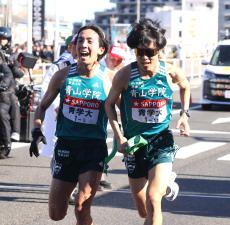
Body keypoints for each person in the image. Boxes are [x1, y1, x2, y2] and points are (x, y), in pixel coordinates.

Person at [105, 18, 190, 225]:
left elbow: (185, 85)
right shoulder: (125, 75)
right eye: (139, 52)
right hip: (134, 144)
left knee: (154, 198)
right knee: (144, 209)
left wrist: (184, 115)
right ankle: (165, 184)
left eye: (149, 52)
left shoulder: (169, 71)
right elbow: (109, 105)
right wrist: (119, 136)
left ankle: (162, 182)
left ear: (159, 50)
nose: (144, 57)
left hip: (161, 141)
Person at [29, 24, 115, 225]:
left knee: (81, 206)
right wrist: (36, 129)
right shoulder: (63, 75)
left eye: (89, 41)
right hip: (66, 147)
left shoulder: (109, 78)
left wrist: (127, 138)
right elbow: (42, 106)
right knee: (56, 214)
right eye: (80, 41)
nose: (83, 45)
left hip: (93, 148)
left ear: (101, 50)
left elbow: (126, 112)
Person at [39, 35, 75, 158]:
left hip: (74, 111)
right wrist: (56, 105)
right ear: (70, 47)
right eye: (77, 44)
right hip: (58, 108)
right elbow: (46, 86)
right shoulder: (63, 63)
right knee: (56, 143)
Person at [0, 26, 24, 158]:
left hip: (7, 89)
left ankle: (14, 134)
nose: (1, 41)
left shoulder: (10, 54)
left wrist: (13, 65)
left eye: (3, 39)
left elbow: (15, 73)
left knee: (8, 107)